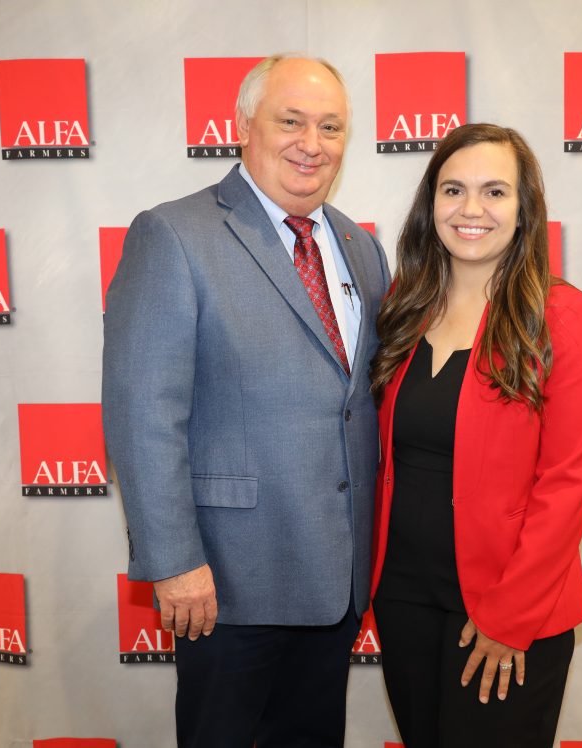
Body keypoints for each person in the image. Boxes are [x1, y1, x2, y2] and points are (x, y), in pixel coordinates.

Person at [102, 54, 389, 748]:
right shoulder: (174, 234)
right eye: (290, 121)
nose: (310, 143)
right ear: (242, 126)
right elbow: (143, 412)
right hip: (227, 585)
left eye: (331, 127)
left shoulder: (363, 248)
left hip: (337, 583)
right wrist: (173, 560)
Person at [369, 123, 582, 747]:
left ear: (525, 210)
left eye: (495, 192)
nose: (471, 209)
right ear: (431, 205)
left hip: (504, 609)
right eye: (453, 190)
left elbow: (568, 481)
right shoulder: (401, 304)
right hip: (402, 599)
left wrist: (510, 617)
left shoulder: (562, 315)